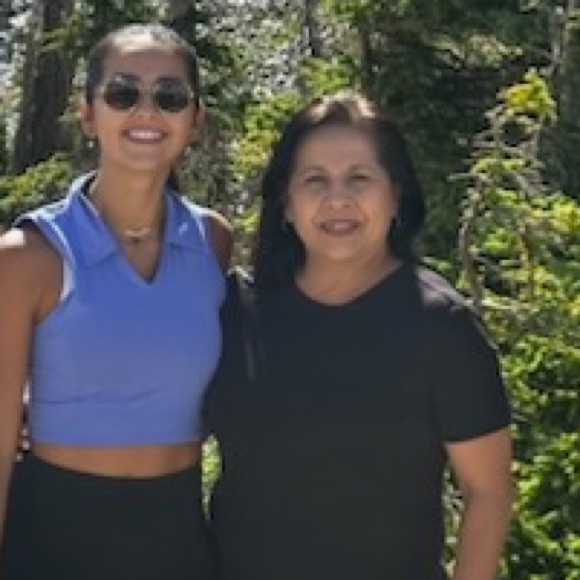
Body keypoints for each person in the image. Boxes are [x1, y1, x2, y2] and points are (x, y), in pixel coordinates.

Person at [204, 93, 513, 580]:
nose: (338, 199)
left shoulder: (440, 326)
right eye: (315, 180)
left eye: (360, 178)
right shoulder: (234, 313)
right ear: (286, 204)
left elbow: (488, 493)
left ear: (395, 196)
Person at [0, 23, 231, 579]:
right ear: (88, 114)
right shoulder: (27, 256)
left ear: (195, 119)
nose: (146, 111)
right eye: (123, 93)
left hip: (177, 541)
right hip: (51, 542)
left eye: (170, 96)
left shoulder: (213, 241)